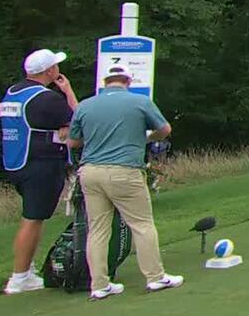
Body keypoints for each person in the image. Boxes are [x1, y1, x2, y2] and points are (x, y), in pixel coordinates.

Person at [67, 65, 182, 299]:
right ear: (127, 81)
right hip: (124, 171)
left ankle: (99, 284)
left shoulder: (85, 106)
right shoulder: (139, 102)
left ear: (105, 82)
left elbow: (73, 142)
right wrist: (148, 137)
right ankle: (155, 277)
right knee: (142, 224)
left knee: (97, 229)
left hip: (90, 172)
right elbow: (165, 129)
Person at [0, 48, 80, 294]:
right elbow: (78, 119)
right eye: (55, 65)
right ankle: (20, 277)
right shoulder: (46, 98)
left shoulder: (12, 92)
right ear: (49, 71)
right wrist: (67, 91)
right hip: (40, 164)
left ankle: (26, 268)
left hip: (16, 161)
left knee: (31, 216)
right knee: (33, 219)